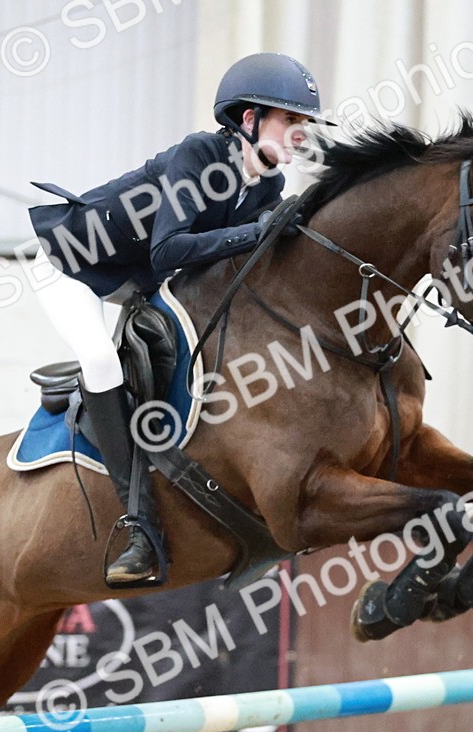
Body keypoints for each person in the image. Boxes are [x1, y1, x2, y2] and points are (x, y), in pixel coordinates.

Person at [27, 53, 334, 586]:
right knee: (101, 360)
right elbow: (170, 250)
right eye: (290, 122)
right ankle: (139, 526)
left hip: (137, 276)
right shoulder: (199, 157)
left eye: (304, 126)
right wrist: (259, 232)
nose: (299, 136)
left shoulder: (265, 190)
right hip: (72, 263)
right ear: (248, 120)